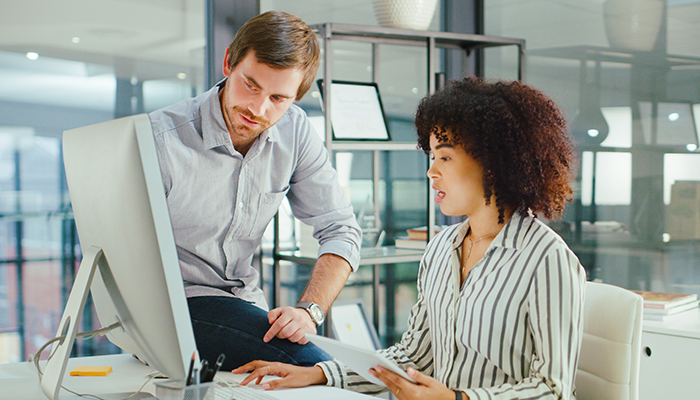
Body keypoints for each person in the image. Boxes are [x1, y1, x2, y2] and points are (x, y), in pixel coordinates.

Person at [232, 76, 587, 400]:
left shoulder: (546, 259)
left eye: (445, 157)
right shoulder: (441, 248)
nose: (431, 171)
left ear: (493, 163)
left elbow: (553, 389)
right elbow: (414, 354)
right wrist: (319, 374)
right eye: (432, 156)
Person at [148, 10, 361, 370]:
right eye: (251, 85)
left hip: (244, 304)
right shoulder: (159, 138)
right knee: (317, 371)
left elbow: (341, 230)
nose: (257, 109)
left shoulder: (296, 132)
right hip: (170, 305)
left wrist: (310, 311)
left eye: (278, 98)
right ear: (229, 62)